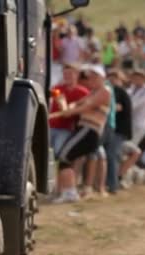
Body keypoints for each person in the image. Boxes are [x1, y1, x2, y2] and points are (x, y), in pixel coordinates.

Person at [52, 65, 112, 203]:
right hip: (80, 128)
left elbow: (85, 106)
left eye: (94, 76)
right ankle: (67, 191)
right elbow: (76, 104)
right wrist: (68, 107)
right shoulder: (91, 92)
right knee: (66, 158)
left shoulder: (103, 91)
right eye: (90, 76)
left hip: (88, 129)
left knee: (64, 157)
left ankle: (70, 192)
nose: (91, 78)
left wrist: (69, 110)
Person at [49, 63, 90, 156]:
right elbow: (57, 100)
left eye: (70, 74)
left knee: (58, 152)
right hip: (51, 126)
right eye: (65, 74)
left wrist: (66, 107)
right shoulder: (57, 89)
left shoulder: (83, 92)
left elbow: (67, 111)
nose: (67, 76)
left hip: (66, 129)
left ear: (77, 75)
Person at [120, 69, 145, 187]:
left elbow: (132, 106)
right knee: (125, 152)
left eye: (139, 78)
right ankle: (133, 174)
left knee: (129, 151)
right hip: (130, 124)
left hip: (139, 125)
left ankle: (127, 177)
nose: (136, 80)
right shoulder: (131, 90)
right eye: (134, 77)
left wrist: (121, 106)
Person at [106, 69, 132, 193]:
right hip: (116, 130)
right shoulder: (115, 91)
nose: (112, 79)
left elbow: (117, 107)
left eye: (114, 77)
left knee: (112, 155)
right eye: (110, 76)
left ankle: (113, 185)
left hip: (119, 130)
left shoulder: (119, 91)